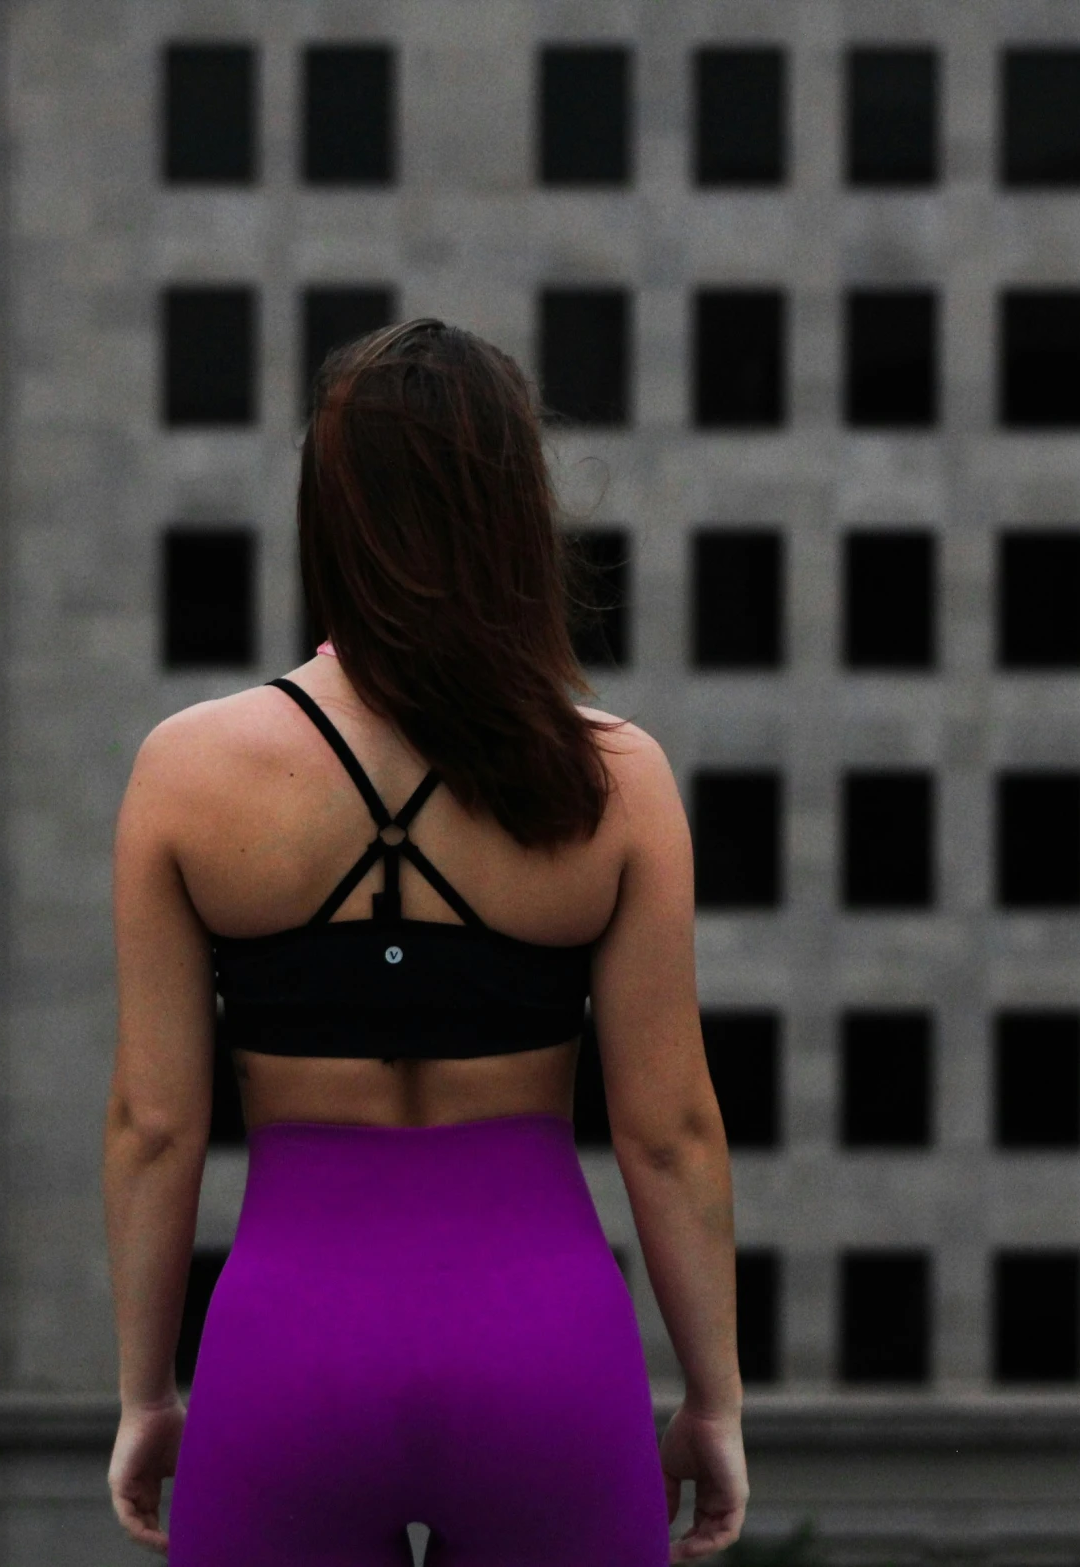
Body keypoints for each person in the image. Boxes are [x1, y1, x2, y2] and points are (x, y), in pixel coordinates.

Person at [103, 318, 748, 1565]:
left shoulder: (186, 773)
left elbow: (153, 1122)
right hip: (546, 1356)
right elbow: (669, 1131)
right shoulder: (614, 777)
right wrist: (713, 1399)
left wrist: (146, 1393)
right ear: (516, 511)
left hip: (287, 1359)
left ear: (326, 514)